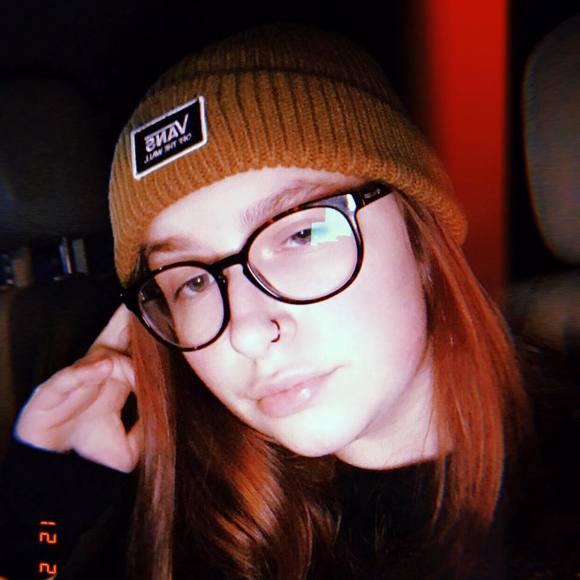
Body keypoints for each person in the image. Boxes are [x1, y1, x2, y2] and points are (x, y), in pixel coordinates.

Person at [0, 23, 530, 579]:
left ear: (420, 231)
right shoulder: (191, 523)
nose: (247, 333)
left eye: (302, 233)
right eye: (193, 281)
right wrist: (47, 506)